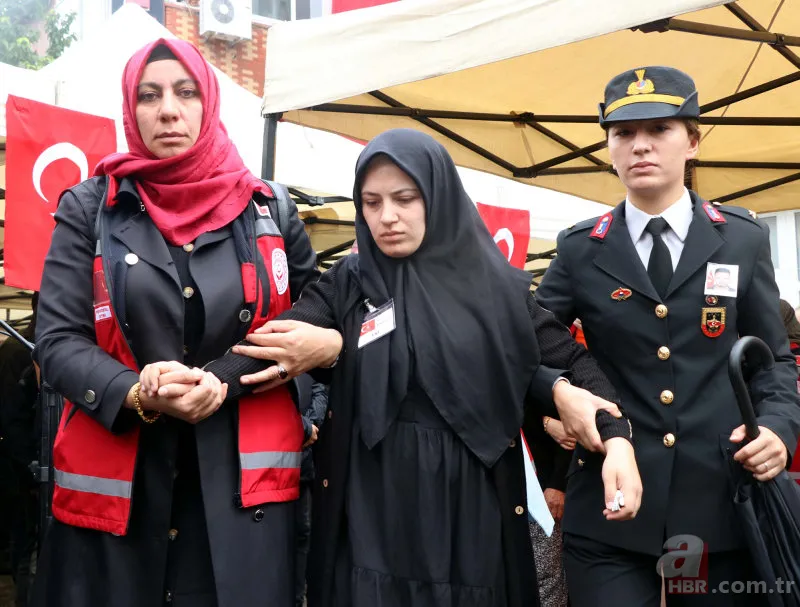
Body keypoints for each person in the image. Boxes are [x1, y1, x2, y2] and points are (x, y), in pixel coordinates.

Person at [214, 128, 642, 607]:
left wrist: (618, 438)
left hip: (468, 508)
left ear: (437, 196)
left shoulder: (494, 292)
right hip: (372, 508)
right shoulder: (350, 283)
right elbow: (274, 342)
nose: (387, 217)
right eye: (371, 203)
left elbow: (572, 362)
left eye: (404, 198)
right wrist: (209, 382)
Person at [30, 38, 333, 607]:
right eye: (150, 95)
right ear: (131, 109)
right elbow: (57, 340)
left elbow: (315, 313)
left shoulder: (268, 209)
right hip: (121, 493)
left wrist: (295, 383)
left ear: (207, 102)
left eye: (184, 92)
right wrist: (137, 392)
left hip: (246, 494)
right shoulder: (89, 208)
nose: (168, 109)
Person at [535, 66, 800, 606]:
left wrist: (778, 428)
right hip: (610, 505)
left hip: (718, 503)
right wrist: (553, 398)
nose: (641, 146)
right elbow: (528, 341)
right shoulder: (582, 248)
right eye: (624, 134)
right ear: (608, 148)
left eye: (660, 130)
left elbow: (772, 361)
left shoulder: (741, 241)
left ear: (693, 142)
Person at [295, 375, 329, 607]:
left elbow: (321, 387)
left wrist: (309, 425)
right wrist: (299, 426)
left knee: (301, 533)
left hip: (302, 467)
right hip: (260, 471)